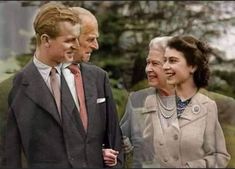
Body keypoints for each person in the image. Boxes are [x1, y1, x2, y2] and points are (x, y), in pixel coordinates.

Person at [4, 2, 81, 168]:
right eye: (69, 40)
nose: (77, 45)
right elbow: (9, 154)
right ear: (46, 40)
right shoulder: (12, 88)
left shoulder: (76, 79)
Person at [61, 7, 123, 168]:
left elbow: (114, 139)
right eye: (90, 39)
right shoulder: (41, 81)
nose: (96, 46)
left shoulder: (99, 77)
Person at [160, 35, 230, 167]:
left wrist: (192, 167)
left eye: (172, 60)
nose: (165, 66)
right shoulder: (154, 103)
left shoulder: (208, 107)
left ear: (192, 66)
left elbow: (220, 157)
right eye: (165, 60)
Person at [119, 36, 175, 168]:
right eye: (147, 63)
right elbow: (120, 142)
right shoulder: (137, 99)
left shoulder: (200, 104)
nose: (148, 69)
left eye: (155, 64)